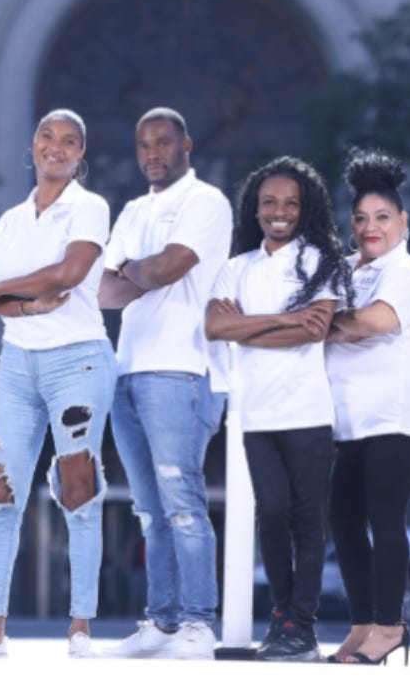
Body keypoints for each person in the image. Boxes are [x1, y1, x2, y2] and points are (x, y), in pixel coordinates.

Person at [0, 109, 116, 659]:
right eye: (48, 138)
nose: (57, 148)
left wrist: (2, 290)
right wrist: (28, 304)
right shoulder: (10, 220)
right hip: (15, 365)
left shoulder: (89, 207)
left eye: (69, 141)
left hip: (78, 361)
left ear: (80, 154)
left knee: (78, 490)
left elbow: (70, 274)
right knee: (2, 492)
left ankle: (80, 629)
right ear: (33, 145)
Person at [205, 155, 351, 663]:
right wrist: (285, 320)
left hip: (308, 411)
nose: (279, 211)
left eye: (290, 203)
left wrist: (247, 326)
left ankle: (301, 628)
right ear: (255, 208)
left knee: (307, 520)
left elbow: (315, 330)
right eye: (269, 202)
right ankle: (281, 617)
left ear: (304, 208)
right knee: (270, 514)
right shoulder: (236, 268)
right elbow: (215, 328)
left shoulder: (321, 261)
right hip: (256, 413)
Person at [99, 108, 232, 661]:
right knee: (149, 511)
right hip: (127, 368)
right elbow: (103, 291)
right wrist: (143, 269)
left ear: (186, 146)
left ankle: (199, 623)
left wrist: (135, 268)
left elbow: (165, 270)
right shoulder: (133, 210)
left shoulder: (206, 202)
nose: (152, 154)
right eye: (144, 145)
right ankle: (162, 621)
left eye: (163, 143)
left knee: (182, 504)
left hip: (184, 368)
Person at [324, 150, 410, 667]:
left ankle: (390, 627)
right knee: (344, 520)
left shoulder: (406, 273)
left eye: (383, 217)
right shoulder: (347, 268)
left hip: (397, 414)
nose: (372, 227)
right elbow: (332, 317)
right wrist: (335, 323)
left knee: (384, 517)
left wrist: (327, 323)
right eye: (362, 218)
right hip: (351, 417)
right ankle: (362, 623)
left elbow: (374, 322)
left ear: (403, 221)